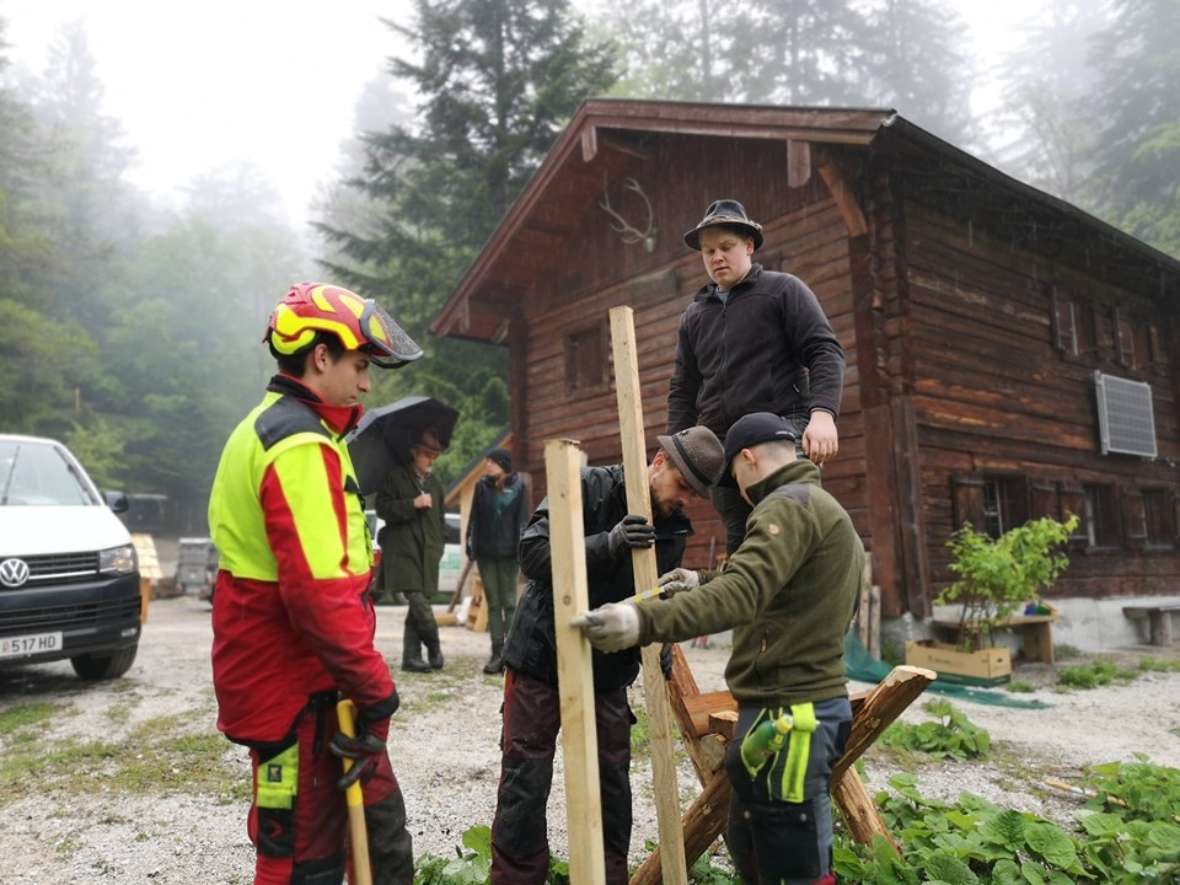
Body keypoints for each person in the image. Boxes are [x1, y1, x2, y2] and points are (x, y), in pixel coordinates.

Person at [573, 412, 863, 885]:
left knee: (797, 868)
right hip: (799, 709)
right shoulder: (827, 511)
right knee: (750, 834)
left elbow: (743, 594)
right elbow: (781, 591)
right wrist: (700, 581)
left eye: (734, 479)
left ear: (747, 458)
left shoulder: (783, 508)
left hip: (789, 717)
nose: (740, 493)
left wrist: (639, 621)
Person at [208, 282, 421, 885]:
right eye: (359, 365)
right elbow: (318, 597)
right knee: (300, 857)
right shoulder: (298, 443)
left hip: (314, 683)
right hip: (294, 689)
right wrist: (378, 692)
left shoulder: (283, 430)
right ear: (319, 357)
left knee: (364, 837)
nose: (366, 383)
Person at [491, 426, 725, 885]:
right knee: (525, 776)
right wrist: (609, 543)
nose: (686, 500)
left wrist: (663, 633)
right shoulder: (586, 486)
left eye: (696, 493)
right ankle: (517, 879)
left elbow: (654, 600)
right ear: (658, 463)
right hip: (542, 652)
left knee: (611, 781)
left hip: (608, 668)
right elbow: (532, 556)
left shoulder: (673, 527)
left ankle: (605, 877)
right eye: (683, 486)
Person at [668, 199, 845, 555]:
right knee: (742, 542)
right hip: (720, 446)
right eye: (708, 251)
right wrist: (679, 451)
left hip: (781, 430)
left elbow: (824, 350)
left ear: (749, 246)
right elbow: (683, 389)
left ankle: (807, 609)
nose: (717, 257)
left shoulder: (783, 290)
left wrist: (823, 413)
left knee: (789, 528)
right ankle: (751, 612)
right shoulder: (693, 316)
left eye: (726, 247)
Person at [377, 427, 447, 673]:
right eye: (427, 455)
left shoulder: (436, 485)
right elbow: (383, 509)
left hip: (428, 553)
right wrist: (412, 504)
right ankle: (435, 647)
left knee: (417, 608)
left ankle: (411, 658)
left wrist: (438, 547)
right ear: (414, 453)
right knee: (418, 602)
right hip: (403, 552)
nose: (431, 460)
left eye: (434, 456)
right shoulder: (395, 477)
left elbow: (440, 520)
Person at [467, 447, 529, 675]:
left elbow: (523, 521)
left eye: (491, 462)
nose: (487, 465)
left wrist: (523, 550)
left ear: (503, 464)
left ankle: (510, 655)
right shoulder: (481, 487)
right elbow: (474, 518)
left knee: (510, 603)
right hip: (486, 554)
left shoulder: (519, 488)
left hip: (510, 554)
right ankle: (496, 652)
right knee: (493, 604)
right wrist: (470, 544)